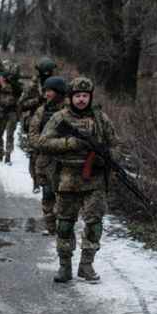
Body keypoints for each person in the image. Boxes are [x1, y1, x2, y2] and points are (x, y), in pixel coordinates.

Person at [35, 77, 116, 283]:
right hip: (67, 178)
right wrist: (70, 143)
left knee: (94, 223)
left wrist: (103, 157)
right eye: (77, 96)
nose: (81, 99)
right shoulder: (60, 118)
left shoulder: (100, 119)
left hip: (94, 180)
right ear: (71, 97)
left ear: (90, 97)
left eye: (85, 96)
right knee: (64, 224)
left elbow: (115, 145)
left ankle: (86, 266)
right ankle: (65, 266)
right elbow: (42, 142)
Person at [27, 76, 68, 236]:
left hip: (65, 160)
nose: (46, 94)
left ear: (58, 93)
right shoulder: (41, 111)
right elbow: (33, 133)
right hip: (45, 159)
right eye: (45, 91)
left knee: (63, 194)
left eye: (49, 91)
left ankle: (63, 224)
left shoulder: (69, 111)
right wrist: (44, 145)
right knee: (48, 193)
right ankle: (51, 227)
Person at [19, 57, 59, 186]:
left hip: (54, 122)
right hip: (36, 122)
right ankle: (37, 180)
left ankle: (48, 183)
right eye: (45, 71)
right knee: (35, 154)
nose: (48, 74)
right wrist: (38, 100)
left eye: (50, 71)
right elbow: (22, 104)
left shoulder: (57, 83)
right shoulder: (32, 85)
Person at [0, 67, 23, 164]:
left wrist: (10, 81)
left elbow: (19, 90)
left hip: (11, 113)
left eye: (1, 77)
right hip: (0, 113)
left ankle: (8, 155)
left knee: (10, 135)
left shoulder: (15, 86)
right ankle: (1, 153)